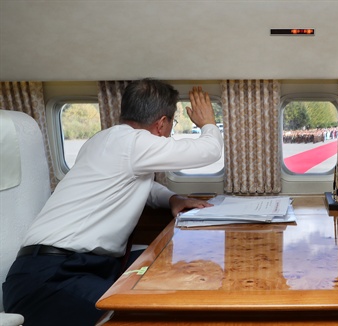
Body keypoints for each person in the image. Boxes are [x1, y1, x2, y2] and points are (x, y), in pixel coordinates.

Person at [2, 79, 224, 326]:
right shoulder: (134, 143)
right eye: (173, 122)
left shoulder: (107, 140)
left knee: (166, 272)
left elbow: (140, 184)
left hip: (62, 268)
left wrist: (172, 197)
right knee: (143, 317)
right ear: (161, 124)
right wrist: (208, 124)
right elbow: (209, 151)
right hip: (52, 278)